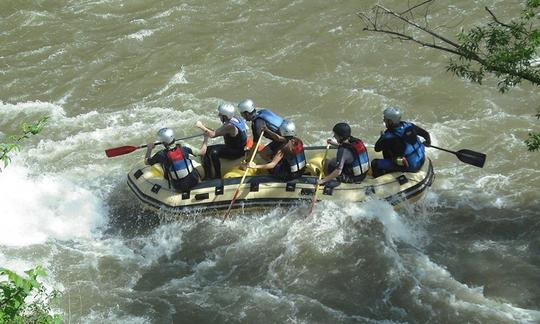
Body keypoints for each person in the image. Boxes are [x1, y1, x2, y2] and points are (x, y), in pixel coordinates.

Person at [371, 106, 431, 178]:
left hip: (412, 166)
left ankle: (381, 177)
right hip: (421, 158)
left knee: (375, 163)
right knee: (391, 148)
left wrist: (382, 137)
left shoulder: (388, 136)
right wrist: (428, 142)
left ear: (390, 121)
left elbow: (377, 148)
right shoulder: (409, 125)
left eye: (385, 119)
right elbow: (426, 134)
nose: (384, 121)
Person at [145, 127, 208, 192]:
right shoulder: (183, 147)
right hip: (193, 181)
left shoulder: (161, 154)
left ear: (163, 142)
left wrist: (149, 148)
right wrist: (206, 138)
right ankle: (200, 182)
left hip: (178, 186)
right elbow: (202, 152)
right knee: (194, 164)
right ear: (173, 138)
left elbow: (146, 161)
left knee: (162, 166)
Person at [195, 103, 248, 179]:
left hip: (236, 152)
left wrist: (201, 126)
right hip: (239, 148)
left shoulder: (229, 126)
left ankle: (214, 176)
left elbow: (213, 135)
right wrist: (206, 129)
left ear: (225, 116)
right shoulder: (237, 119)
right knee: (210, 149)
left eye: (220, 114)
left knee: (210, 152)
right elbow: (217, 131)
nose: (218, 116)